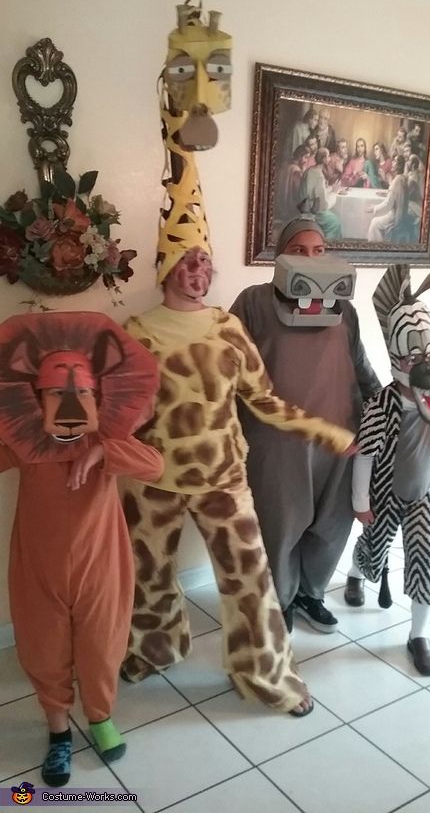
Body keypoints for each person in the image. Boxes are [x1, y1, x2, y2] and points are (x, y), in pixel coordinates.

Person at [120, 246, 355, 717]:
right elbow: (120, 409)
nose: (200, 271)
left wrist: (325, 432)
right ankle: (155, 649)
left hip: (222, 477)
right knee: (148, 575)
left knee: (250, 581)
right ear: (166, 270)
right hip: (152, 479)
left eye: (207, 263)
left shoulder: (227, 329)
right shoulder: (134, 333)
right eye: (189, 262)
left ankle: (266, 675)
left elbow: (263, 400)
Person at [0, 312, 163, 787]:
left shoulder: (106, 439)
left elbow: (154, 466)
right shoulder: (24, 443)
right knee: (42, 647)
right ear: (37, 398)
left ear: (97, 396)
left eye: (82, 393)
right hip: (38, 565)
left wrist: (103, 451)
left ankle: (100, 715)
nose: (70, 402)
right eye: (56, 392)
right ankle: (57, 731)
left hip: (102, 564)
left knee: (101, 643)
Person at [230, 217, 380, 633]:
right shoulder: (254, 303)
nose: (311, 258)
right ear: (280, 256)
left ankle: (310, 593)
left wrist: (387, 409)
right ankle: (279, 598)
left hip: (341, 438)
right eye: (298, 250)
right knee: (280, 524)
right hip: (277, 440)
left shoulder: (344, 309)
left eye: (318, 250)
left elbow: (360, 366)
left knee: (331, 525)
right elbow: (228, 368)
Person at [344, 265, 430, 676]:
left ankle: (419, 634)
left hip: (424, 493)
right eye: (416, 356)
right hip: (384, 494)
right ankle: (356, 572)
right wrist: (361, 503)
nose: (426, 363)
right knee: (374, 547)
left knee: (426, 558)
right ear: (397, 358)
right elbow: (364, 455)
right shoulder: (382, 405)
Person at [298, 147, 342, 240]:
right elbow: (323, 206)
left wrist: (330, 190)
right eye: (328, 156)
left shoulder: (309, 170)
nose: (330, 158)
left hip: (306, 208)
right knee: (335, 222)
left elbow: (315, 192)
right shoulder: (319, 176)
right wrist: (334, 193)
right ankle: (329, 247)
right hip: (312, 213)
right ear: (324, 159)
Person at [367, 154, 408, 242]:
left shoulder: (397, 181)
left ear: (399, 166)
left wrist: (374, 208)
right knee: (378, 218)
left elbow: (388, 204)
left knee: (374, 222)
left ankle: (377, 247)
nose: (392, 163)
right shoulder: (402, 179)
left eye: (394, 161)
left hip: (396, 216)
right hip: (399, 214)